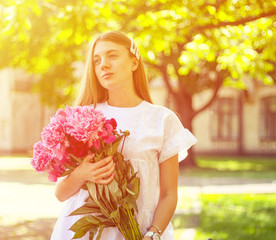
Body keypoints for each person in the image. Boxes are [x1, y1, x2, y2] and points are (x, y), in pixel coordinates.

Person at [50, 31, 197, 240]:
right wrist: (83, 173)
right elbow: (60, 193)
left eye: (112, 55)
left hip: (143, 230)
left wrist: (153, 234)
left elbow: (169, 195)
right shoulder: (83, 116)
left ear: (134, 62)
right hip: (86, 233)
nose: (103, 64)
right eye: (96, 60)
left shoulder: (163, 120)